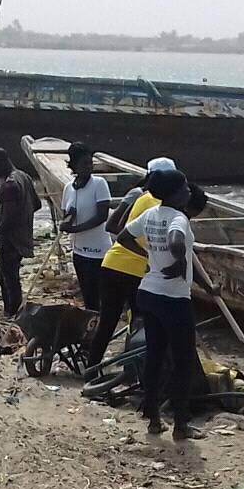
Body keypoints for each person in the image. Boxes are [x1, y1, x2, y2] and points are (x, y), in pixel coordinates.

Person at [115, 170, 211, 441]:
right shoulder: (178, 217)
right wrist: (178, 262)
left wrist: (149, 256)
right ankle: (181, 425)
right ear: (174, 193)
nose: (189, 192)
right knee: (182, 361)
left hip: (149, 292)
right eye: (184, 188)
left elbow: (122, 236)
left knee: (155, 357)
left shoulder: (151, 214)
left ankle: (154, 419)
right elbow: (177, 241)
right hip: (173, 298)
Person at [85, 156, 176, 371]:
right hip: (135, 270)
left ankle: (91, 370)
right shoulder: (160, 204)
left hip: (112, 263)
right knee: (138, 322)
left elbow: (119, 229)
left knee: (108, 322)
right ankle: (131, 369)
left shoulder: (141, 197)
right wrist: (148, 255)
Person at [58, 143, 113, 311]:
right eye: (84, 164)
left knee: (102, 297)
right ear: (74, 165)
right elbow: (65, 215)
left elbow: (101, 217)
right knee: (88, 297)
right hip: (79, 252)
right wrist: (69, 218)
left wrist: (75, 229)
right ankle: (91, 327)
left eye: (90, 163)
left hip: (99, 252)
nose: (89, 168)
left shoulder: (99, 184)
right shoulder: (69, 188)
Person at [0, 147, 40, 317]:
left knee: (9, 279)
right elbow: (37, 204)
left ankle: (12, 313)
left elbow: (9, 219)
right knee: (3, 274)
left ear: (2, 162)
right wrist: (24, 214)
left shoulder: (9, 185)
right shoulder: (24, 176)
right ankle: (11, 310)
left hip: (10, 240)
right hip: (22, 237)